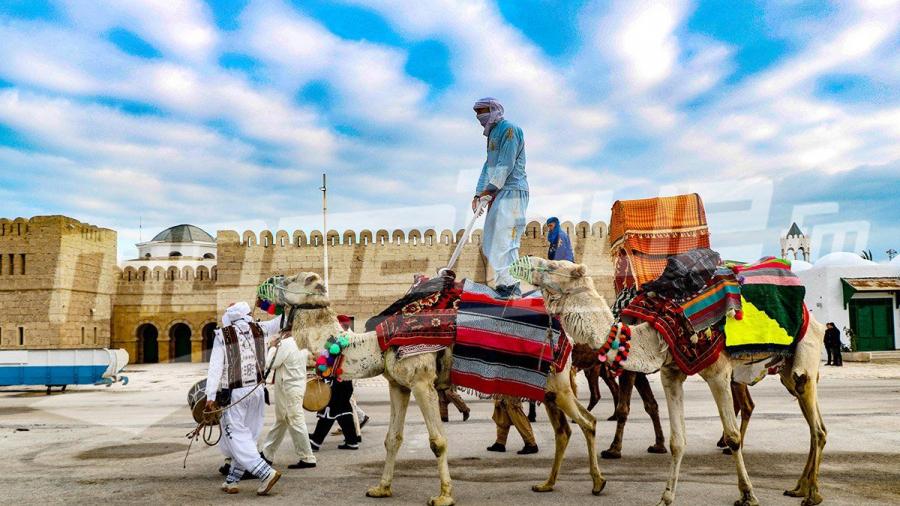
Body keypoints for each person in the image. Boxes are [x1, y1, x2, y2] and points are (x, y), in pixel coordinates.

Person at [205, 301, 282, 495]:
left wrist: (210, 396)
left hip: (235, 394)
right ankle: (232, 481)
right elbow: (285, 320)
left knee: (237, 436)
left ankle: (265, 473)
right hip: (257, 391)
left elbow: (215, 368)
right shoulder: (261, 328)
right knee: (248, 436)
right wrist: (277, 304)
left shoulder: (223, 335)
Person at [472, 97, 528, 299]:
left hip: (512, 190)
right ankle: (503, 282)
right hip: (496, 192)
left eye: (482, 111)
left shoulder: (510, 129)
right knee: (491, 241)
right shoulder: (492, 134)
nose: (479, 116)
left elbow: (506, 162)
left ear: (494, 109)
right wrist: (479, 193)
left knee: (507, 238)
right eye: (476, 113)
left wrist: (489, 190)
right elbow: (489, 166)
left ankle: (512, 285)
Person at [260, 332, 316, 469]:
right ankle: (267, 453)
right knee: (282, 420)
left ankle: (308, 457)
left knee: (295, 420)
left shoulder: (285, 344)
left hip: (288, 388)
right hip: (295, 385)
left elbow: (270, 363)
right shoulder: (301, 342)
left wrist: (272, 347)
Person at [309, 379, 361, 451]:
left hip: (336, 381)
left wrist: (322, 371)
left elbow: (327, 369)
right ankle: (351, 441)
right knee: (344, 414)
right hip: (344, 380)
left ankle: (315, 443)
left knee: (327, 415)